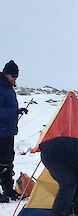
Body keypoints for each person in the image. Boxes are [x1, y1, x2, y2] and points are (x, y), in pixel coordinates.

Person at [0, 60, 28, 203]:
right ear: (6, 74)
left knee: (8, 162)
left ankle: (8, 190)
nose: (15, 79)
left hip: (8, 131)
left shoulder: (8, 87)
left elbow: (7, 107)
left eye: (16, 76)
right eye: (13, 76)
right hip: (1, 131)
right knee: (1, 164)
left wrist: (17, 111)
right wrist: (11, 114)